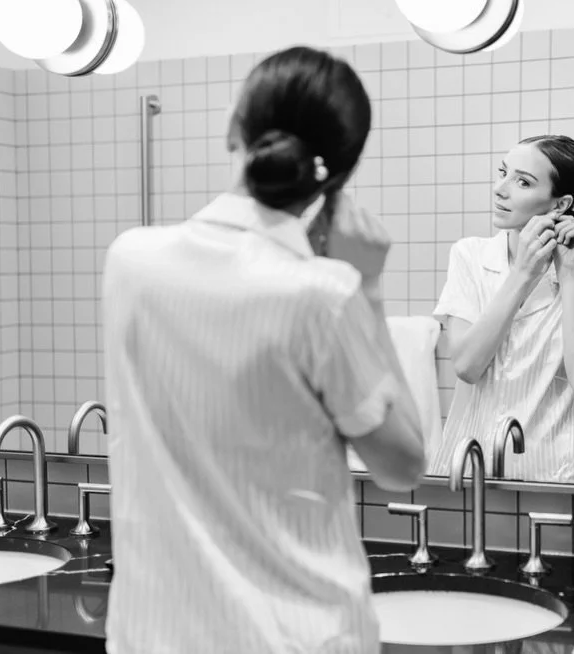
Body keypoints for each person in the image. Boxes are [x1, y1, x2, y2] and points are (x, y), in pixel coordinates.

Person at [101, 46, 425, 654]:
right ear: (340, 178)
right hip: (299, 637)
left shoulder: (128, 262)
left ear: (233, 128)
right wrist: (369, 288)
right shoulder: (324, 296)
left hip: (155, 636)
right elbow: (402, 465)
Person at [430, 135, 574, 483]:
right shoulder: (470, 256)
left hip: (558, 469)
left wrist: (570, 274)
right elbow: (467, 366)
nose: (500, 189)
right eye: (503, 173)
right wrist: (522, 275)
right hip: (472, 461)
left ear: (560, 205)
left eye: (523, 182)